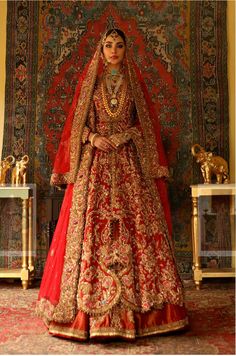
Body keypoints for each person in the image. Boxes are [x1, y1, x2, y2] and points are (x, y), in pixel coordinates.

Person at [36, 28, 188, 340]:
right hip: (96, 163)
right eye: (108, 45)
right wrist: (94, 137)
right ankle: (87, 313)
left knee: (138, 230)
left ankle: (144, 312)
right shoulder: (90, 84)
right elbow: (78, 125)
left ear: (125, 49)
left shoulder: (135, 85)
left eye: (119, 45)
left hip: (130, 165)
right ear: (101, 50)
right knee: (92, 226)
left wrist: (125, 135)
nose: (114, 50)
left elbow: (143, 126)